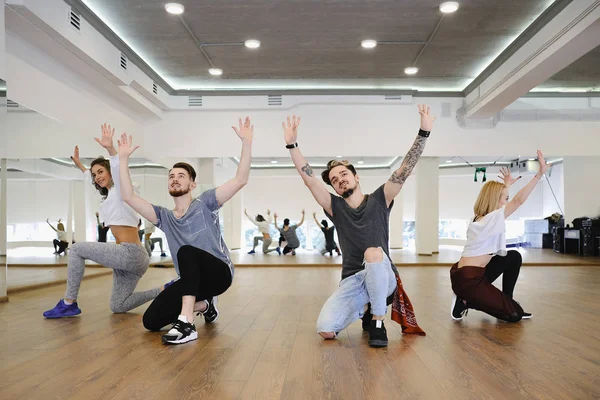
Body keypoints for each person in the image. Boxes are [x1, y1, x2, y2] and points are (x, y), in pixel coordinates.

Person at [282, 105, 433, 347]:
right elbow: (309, 179)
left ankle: (377, 320)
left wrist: (424, 132)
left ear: (356, 176)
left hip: (383, 274)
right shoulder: (335, 207)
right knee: (326, 330)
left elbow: (404, 169)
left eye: (343, 174)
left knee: (373, 253)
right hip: (353, 281)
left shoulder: (380, 198)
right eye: (334, 180)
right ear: (333, 188)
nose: (339, 180)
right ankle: (364, 307)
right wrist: (293, 145)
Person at [117, 117, 253, 345]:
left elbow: (240, 179)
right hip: (192, 281)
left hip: (219, 274)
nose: (174, 179)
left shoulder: (205, 203)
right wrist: (122, 159)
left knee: (187, 252)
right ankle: (205, 305)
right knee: (151, 321)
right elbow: (128, 196)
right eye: (171, 176)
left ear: (192, 185)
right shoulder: (164, 217)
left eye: (181, 176)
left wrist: (246, 143)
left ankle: (187, 323)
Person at [43, 125, 161, 319]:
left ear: (110, 171)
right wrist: (81, 166)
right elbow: (91, 179)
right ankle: (163, 290)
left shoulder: (123, 190)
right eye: (95, 175)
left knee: (77, 249)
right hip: (132, 260)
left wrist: (111, 150)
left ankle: (68, 303)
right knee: (118, 305)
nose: (97, 177)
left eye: (100, 172)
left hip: (130, 253)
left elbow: (118, 169)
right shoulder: (109, 198)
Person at [450, 157, 547, 322]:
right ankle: (466, 301)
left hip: (468, 274)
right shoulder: (490, 219)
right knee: (515, 315)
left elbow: (503, 201)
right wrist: (539, 175)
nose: (506, 202)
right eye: (505, 198)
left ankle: (505, 299)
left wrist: (506, 186)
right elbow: (518, 201)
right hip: (469, 281)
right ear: (495, 199)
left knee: (513, 256)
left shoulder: (480, 218)